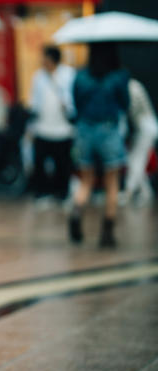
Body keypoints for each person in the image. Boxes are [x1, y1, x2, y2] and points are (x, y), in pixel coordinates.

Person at [68, 42, 130, 248]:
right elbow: (125, 104)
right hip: (109, 129)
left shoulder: (81, 76)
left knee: (86, 179)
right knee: (111, 181)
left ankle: (76, 214)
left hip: (84, 129)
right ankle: (107, 233)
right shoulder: (119, 76)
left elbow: (76, 103)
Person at [28, 45, 76, 205]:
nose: (43, 61)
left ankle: (62, 194)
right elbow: (34, 101)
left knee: (62, 164)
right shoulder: (38, 77)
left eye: (46, 58)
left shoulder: (68, 74)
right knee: (40, 163)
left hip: (63, 129)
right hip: (42, 128)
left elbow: (72, 98)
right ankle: (42, 193)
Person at [121, 78, 158, 206]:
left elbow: (131, 108)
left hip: (146, 128)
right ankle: (146, 192)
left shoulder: (131, 87)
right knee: (136, 160)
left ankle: (128, 192)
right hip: (143, 128)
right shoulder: (131, 85)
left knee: (137, 161)